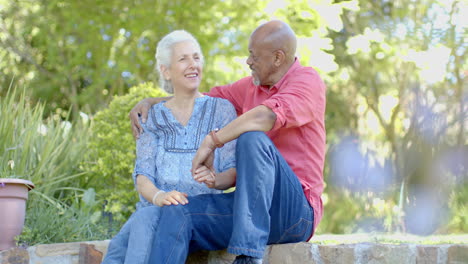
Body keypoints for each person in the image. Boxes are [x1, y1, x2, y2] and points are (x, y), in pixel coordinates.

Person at [129, 20, 326, 264]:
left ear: (278, 58)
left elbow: (266, 116)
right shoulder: (248, 87)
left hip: (295, 214)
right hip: (250, 209)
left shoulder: (308, 81)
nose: (248, 62)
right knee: (178, 212)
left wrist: (212, 141)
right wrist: (153, 101)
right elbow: (201, 100)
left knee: (252, 138)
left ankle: (248, 256)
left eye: (254, 56)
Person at [102, 30, 237, 264]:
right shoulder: (151, 117)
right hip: (155, 208)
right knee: (121, 247)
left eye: (196, 57)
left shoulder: (222, 110)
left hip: (200, 214)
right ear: (166, 70)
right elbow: (142, 176)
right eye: (183, 59)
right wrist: (160, 196)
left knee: (140, 226)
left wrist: (213, 179)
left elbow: (233, 172)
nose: (193, 64)